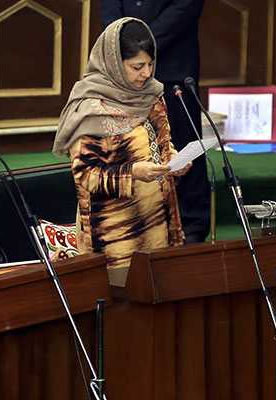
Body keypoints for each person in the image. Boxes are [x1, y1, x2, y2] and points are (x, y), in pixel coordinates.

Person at [52, 18, 189, 285]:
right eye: (137, 66)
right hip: (116, 241)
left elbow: (162, 143)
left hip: (160, 227)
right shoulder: (91, 108)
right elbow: (85, 175)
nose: (146, 73)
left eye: (150, 64)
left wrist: (173, 160)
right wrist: (133, 173)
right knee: (125, 306)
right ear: (114, 62)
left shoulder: (151, 95)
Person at [100, 0, 210, 243]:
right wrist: (122, 46)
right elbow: (110, 10)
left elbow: (184, 8)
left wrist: (141, 47)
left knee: (181, 145)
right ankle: (141, 222)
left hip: (173, 66)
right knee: (130, 144)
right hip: (125, 66)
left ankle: (191, 225)